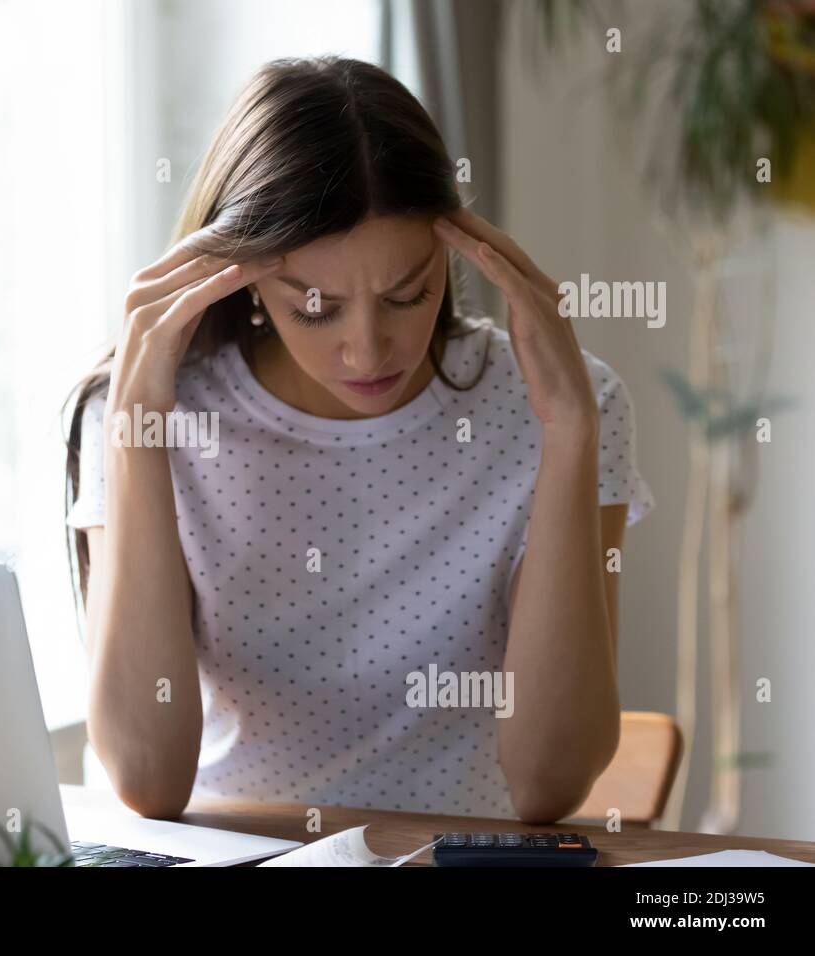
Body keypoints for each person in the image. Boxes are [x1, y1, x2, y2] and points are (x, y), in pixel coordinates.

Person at [64, 55, 654, 823]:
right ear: (234, 276)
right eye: (316, 309)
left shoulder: (567, 406)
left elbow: (549, 783)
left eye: (407, 294)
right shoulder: (148, 413)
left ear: (456, 250)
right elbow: (147, 776)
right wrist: (138, 430)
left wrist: (571, 433)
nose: (370, 351)